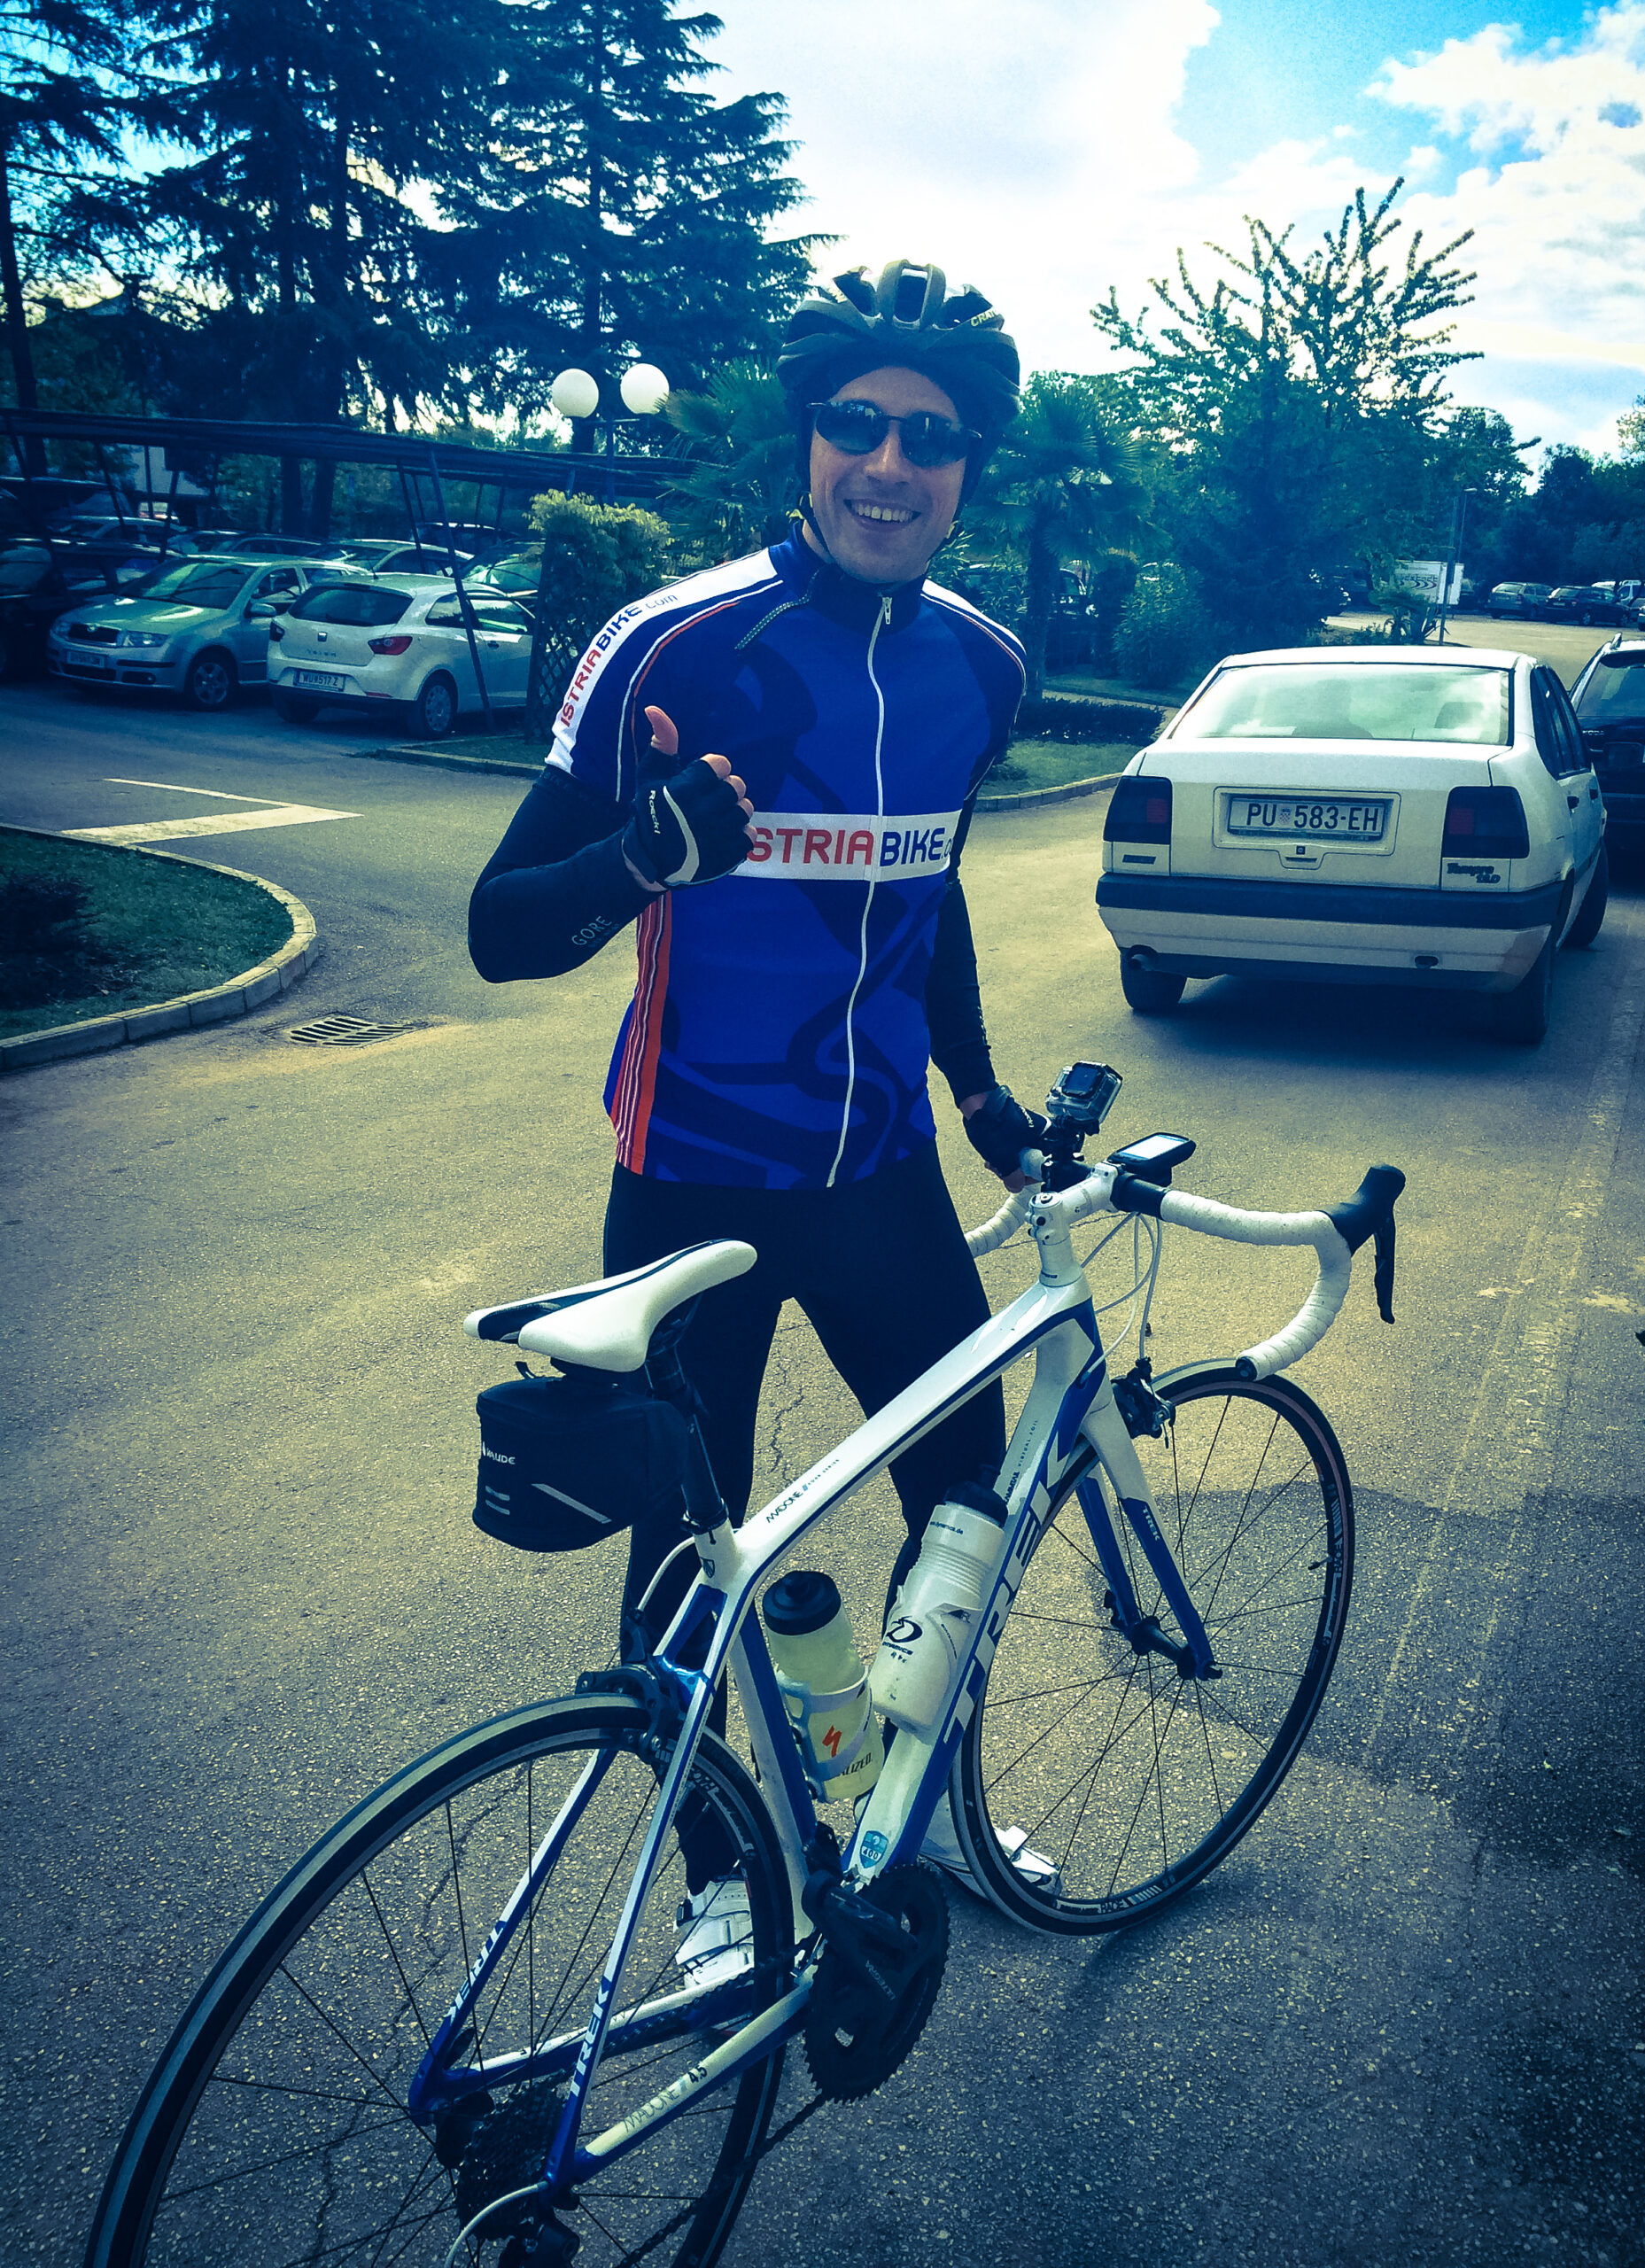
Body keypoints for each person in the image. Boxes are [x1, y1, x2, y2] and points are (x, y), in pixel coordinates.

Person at [468, 259, 1048, 1944]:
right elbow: (501, 931)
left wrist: (979, 1087)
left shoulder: (985, 669)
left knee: (967, 1487)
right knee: (678, 1558)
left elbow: (925, 895)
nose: (889, 464)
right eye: (857, 423)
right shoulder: (678, 641)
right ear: (806, 443)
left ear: (969, 467)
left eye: (930, 436)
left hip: (879, 1176)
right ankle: (716, 1882)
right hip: (692, 1179)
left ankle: (904, 1798)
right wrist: (647, 852)